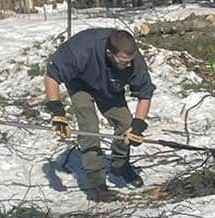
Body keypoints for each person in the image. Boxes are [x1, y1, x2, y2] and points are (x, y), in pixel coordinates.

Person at [42, 26, 154, 202]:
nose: (129, 65)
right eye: (123, 61)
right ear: (109, 53)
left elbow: (145, 94)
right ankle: (96, 183)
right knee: (89, 129)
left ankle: (120, 164)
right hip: (80, 83)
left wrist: (138, 125)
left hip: (110, 86)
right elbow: (51, 76)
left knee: (126, 124)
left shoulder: (133, 59)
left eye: (130, 60)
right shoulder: (82, 48)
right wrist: (57, 111)